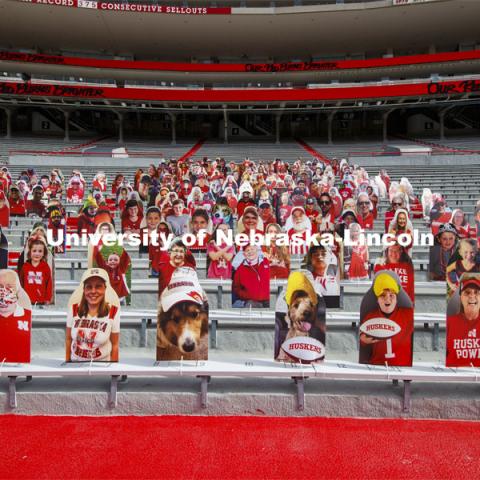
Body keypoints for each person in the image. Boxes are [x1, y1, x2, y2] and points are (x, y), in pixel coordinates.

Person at [359, 272, 414, 366]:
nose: (387, 299)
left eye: (391, 295)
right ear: (377, 299)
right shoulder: (370, 317)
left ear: (397, 299)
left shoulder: (408, 314)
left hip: (404, 366)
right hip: (377, 365)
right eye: (382, 295)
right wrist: (363, 340)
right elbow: (363, 343)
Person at [66, 268, 120, 362]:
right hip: (75, 364)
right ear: (83, 289)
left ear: (105, 288)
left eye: (98, 286)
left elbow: (115, 344)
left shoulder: (113, 312)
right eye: (89, 287)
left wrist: (113, 369)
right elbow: (68, 339)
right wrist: (67, 363)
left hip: (102, 365)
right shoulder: (73, 309)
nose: (93, 291)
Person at [446, 274, 480, 367]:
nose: (472, 296)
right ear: (461, 298)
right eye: (467, 292)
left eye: (476, 292)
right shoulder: (450, 322)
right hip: (455, 374)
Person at [0, 269, 32, 363]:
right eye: (0, 286)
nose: (4, 291)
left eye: (10, 287)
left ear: (17, 290)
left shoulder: (25, 314)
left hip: (18, 360)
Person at [18, 236, 53, 305]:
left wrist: (47, 298)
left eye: (40, 251)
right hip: (26, 300)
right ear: (30, 252)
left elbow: (49, 284)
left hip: (41, 300)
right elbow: (21, 282)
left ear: (43, 253)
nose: (37, 254)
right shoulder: (25, 266)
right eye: (34, 251)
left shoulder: (45, 267)